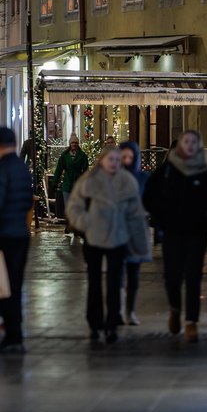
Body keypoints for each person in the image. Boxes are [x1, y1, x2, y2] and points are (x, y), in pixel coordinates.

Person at [143, 130, 207, 343]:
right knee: (172, 276)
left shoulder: (204, 173)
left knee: (193, 276)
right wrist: (160, 217)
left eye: (193, 142)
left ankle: (191, 321)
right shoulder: (167, 171)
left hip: (197, 232)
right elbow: (149, 196)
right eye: (186, 142)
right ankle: (174, 308)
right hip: (172, 231)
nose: (189, 146)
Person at [66, 142, 149, 343]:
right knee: (94, 281)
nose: (114, 163)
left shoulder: (127, 181)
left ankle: (112, 323)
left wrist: (140, 243)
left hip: (118, 238)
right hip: (94, 238)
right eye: (110, 159)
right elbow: (74, 205)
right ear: (101, 160)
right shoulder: (89, 180)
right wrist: (86, 222)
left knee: (114, 282)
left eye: (117, 160)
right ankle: (95, 322)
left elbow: (135, 215)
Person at [0, 127, 33, 355]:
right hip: (21, 233)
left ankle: (12, 335)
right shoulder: (21, 168)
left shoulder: (1, 169)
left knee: (6, 287)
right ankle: (16, 334)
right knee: (15, 284)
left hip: (4, 234)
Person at [118, 141, 151, 324]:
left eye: (130, 157)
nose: (127, 160)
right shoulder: (113, 177)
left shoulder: (143, 178)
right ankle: (118, 309)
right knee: (117, 273)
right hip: (117, 230)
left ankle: (130, 310)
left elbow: (150, 201)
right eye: (123, 156)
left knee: (133, 274)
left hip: (136, 231)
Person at [51, 135, 89, 215]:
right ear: (70, 144)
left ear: (78, 144)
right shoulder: (64, 156)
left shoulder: (82, 156)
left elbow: (86, 171)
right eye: (72, 142)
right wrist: (54, 182)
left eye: (76, 143)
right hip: (67, 183)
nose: (74, 144)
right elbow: (59, 170)